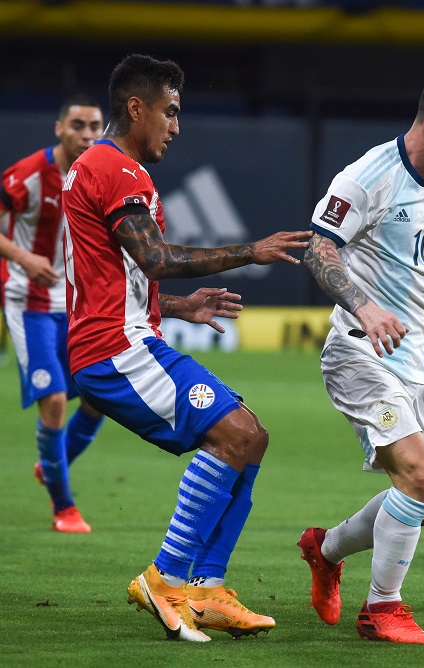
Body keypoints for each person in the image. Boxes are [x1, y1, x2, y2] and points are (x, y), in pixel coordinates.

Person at [61, 54, 311, 641]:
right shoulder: (118, 170)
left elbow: (112, 279)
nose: (176, 127)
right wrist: (249, 251)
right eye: (170, 113)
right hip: (116, 349)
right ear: (135, 108)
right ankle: (167, 576)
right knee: (236, 436)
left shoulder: (93, 169)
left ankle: (205, 588)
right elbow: (155, 258)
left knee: (251, 437)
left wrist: (174, 307)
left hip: (119, 336)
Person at [297, 67, 424, 645]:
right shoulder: (367, 178)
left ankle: (325, 549)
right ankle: (382, 609)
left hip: (421, 364)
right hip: (361, 354)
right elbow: (319, 250)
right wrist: (365, 306)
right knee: (419, 475)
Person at [0, 95, 107, 533]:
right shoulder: (28, 175)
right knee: (56, 399)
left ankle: (53, 463)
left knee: (101, 398)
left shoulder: (102, 174)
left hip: (79, 303)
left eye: (95, 126)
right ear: (59, 128)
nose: (87, 135)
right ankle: (64, 506)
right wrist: (25, 260)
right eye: (78, 125)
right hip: (29, 304)